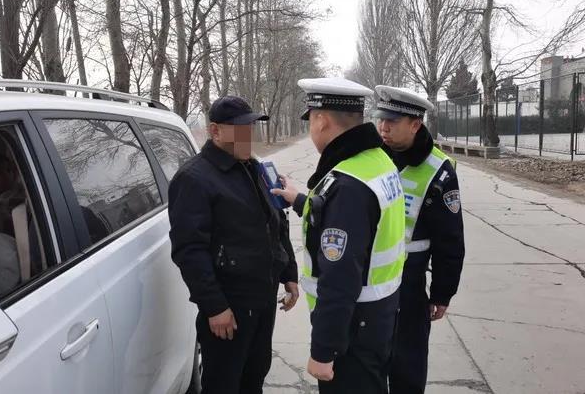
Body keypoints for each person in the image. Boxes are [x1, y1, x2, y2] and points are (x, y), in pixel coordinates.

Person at [272, 77, 406, 394]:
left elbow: (340, 276)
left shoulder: (347, 185)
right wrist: (300, 200)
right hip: (378, 315)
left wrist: (324, 350)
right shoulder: (377, 162)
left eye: (311, 121)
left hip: (352, 328)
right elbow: (356, 224)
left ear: (321, 120)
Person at [168, 95, 299, 394]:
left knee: (255, 375)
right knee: (224, 384)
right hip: (230, 305)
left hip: (263, 298)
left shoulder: (253, 167)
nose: (248, 136)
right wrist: (215, 306)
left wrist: (288, 273)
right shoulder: (194, 179)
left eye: (250, 128)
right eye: (240, 129)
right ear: (215, 131)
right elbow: (189, 251)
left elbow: (275, 222)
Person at [373, 85, 465, 394]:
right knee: (367, 364)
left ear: (415, 124)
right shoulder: (371, 157)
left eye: (392, 121)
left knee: (407, 365)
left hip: (409, 287)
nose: (383, 127)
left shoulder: (439, 171)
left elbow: (449, 238)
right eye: (381, 119)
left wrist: (442, 292)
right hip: (368, 282)